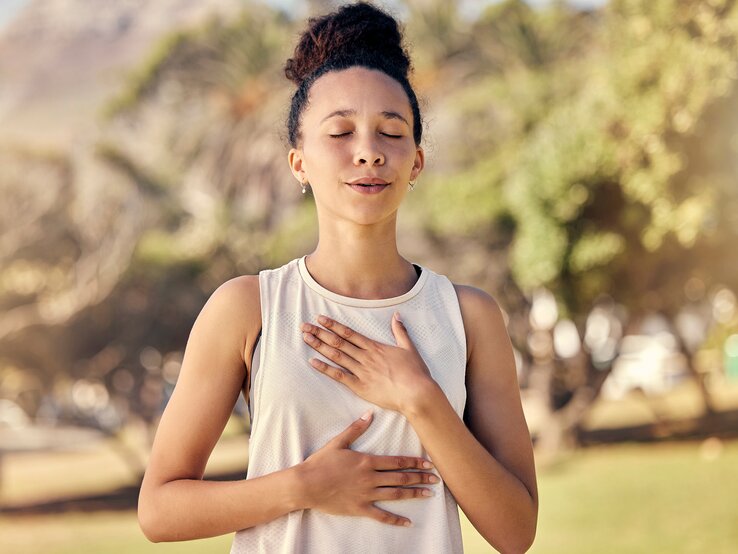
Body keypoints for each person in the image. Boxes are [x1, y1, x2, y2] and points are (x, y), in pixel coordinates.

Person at [137, 2, 538, 553]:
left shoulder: (468, 316)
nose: (369, 152)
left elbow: (516, 532)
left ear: (416, 162)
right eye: (341, 132)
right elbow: (159, 510)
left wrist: (420, 398)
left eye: (391, 133)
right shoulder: (249, 308)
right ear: (298, 161)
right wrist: (302, 486)